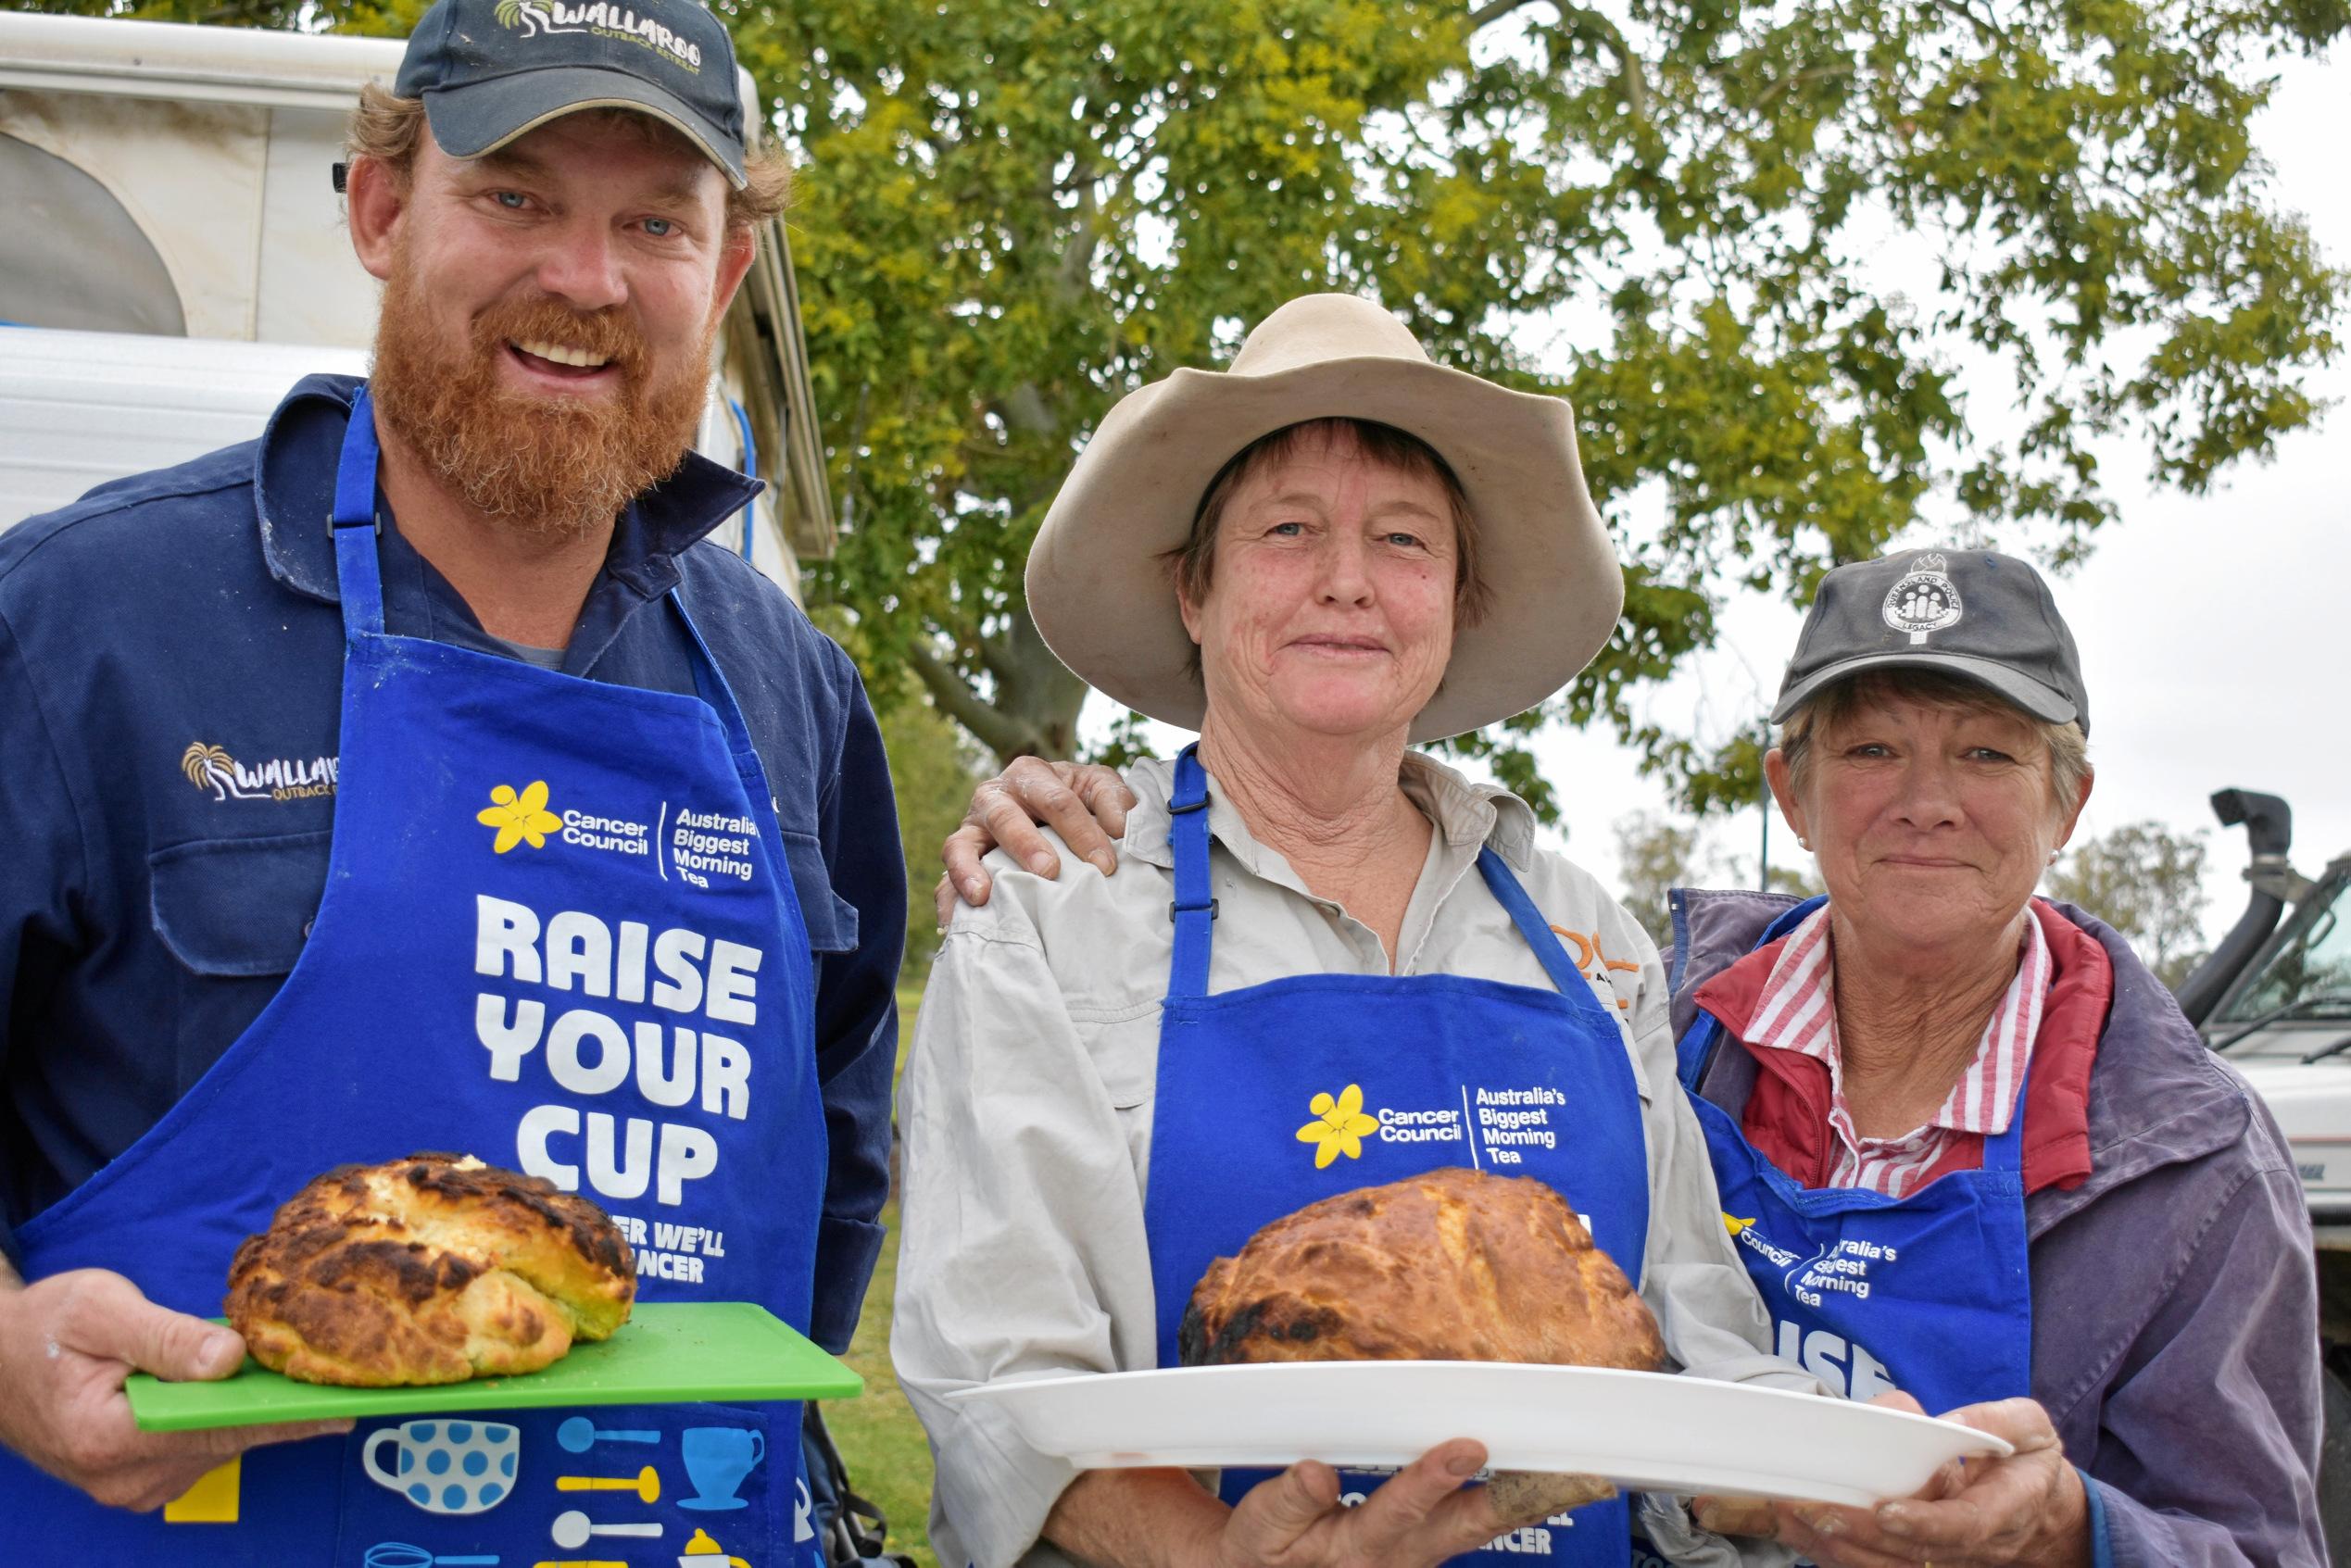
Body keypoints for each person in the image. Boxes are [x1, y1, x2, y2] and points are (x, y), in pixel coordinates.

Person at [0, 2, 902, 1562]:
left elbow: (831, 1159)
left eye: (653, 221)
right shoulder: (86, 623)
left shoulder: (793, 694)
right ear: (378, 206)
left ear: (726, 271)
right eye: (515, 196)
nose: (584, 277)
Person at [892, 293, 1806, 1568]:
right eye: (1286, 530)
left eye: (1401, 538)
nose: (1345, 581)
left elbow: (1698, 1360)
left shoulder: (1577, 931)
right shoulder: (1052, 906)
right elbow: (993, 1384)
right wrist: (1226, 1556)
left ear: (1455, 601)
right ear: (1192, 593)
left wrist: (1852, 1475)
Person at [1661, 551, 2322, 1567]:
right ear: (1792, 792)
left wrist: (2067, 1533)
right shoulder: (1652, 1038)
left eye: (1986, 755)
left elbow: (2258, 1547)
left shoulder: (2202, 1164)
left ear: (2067, 803)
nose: (1927, 801)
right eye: (1874, 748)